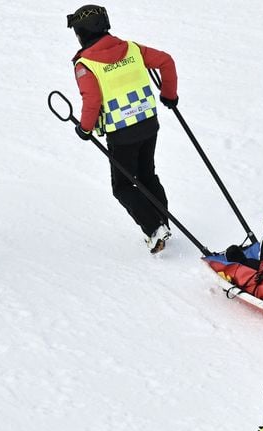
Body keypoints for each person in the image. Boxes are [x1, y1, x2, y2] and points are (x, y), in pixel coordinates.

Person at [67, 5, 178, 254]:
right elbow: (166, 61)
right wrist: (169, 94)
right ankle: (163, 223)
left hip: (121, 133)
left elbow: (92, 100)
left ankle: (154, 228)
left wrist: (85, 129)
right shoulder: (132, 49)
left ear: (82, 33)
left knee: (123, 186)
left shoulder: (85, 64)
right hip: (149, 123)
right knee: (147, 175)